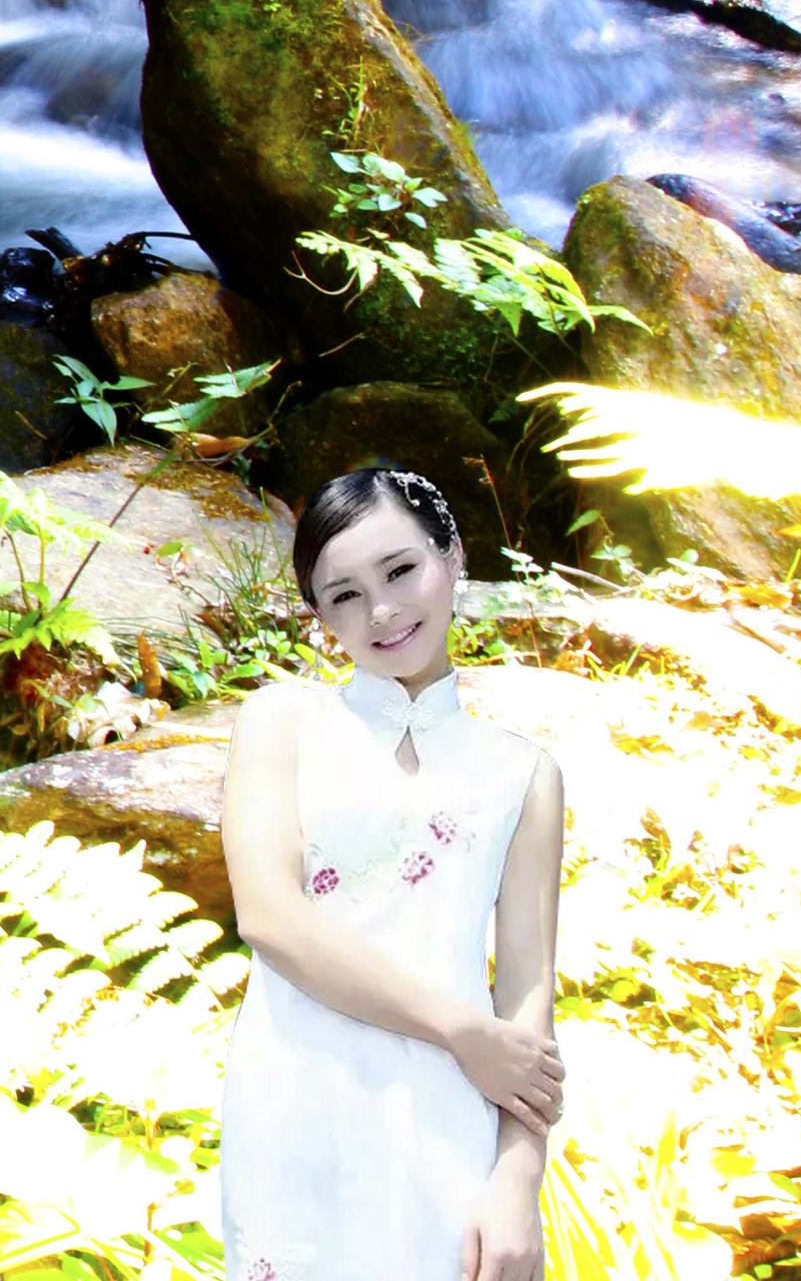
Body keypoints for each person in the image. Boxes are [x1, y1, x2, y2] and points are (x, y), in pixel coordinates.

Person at [214, 467, 569, 1281]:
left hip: (453, 1113)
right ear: (317, 617)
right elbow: (269, 917)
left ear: (453, 557)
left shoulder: (523, 774)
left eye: (400, 571)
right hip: (300, 1100)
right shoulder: (283, 722)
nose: (380, 611)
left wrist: (518, 1180)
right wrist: (461, 1030)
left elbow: (527, 994)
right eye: (342, 595)